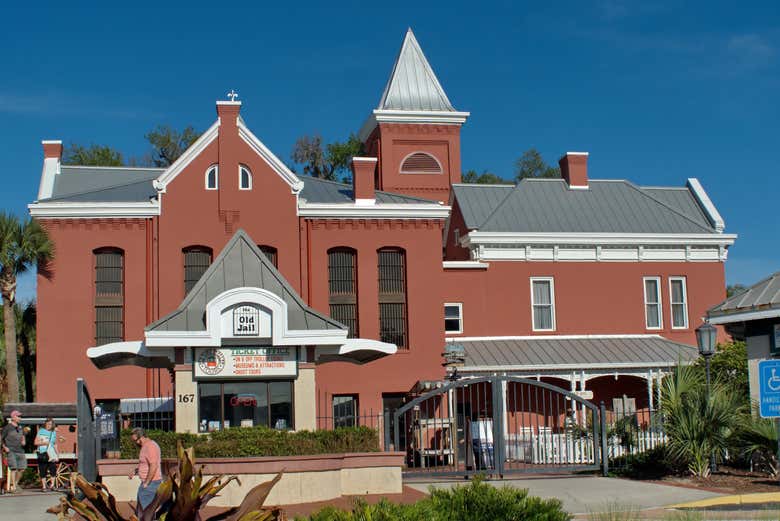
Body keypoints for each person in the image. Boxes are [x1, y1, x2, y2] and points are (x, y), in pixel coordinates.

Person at [127, 427, 162, 514]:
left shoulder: (151, 447)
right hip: (147, 483)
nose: (136, 443)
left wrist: (146, 483)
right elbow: (145, 464)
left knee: (145, 513)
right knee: (142, 511)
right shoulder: (145, 446)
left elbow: (153, 466)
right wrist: (135, 471)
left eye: (136, 440)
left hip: (151, 484)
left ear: (141, 437)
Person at [1, 410, 27, 493]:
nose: (20, 418)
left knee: (22, 468)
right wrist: (4, 447)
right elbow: (1, 438)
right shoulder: (7, 427)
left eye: (20, 416)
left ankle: (15, 483)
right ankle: (14, 488)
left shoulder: (20, 427)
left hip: (20, 450)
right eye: (18, 416)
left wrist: (23, 441)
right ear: (13, 417)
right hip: (11, 450)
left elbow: (23, 436)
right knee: (14, 468)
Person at [35, 418, 59, 492]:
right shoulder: (41, 431)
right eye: (48, 424)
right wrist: (44, 443)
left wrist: (57, 454)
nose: (49, 425)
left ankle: (52, 485)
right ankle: (44, 486)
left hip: (51, 452)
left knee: (53, 469)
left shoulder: (53, 432)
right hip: (42, 452)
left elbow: (54, 444)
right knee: (43, 469)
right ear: (45, 424)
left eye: (50, 424)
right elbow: (35, 442)